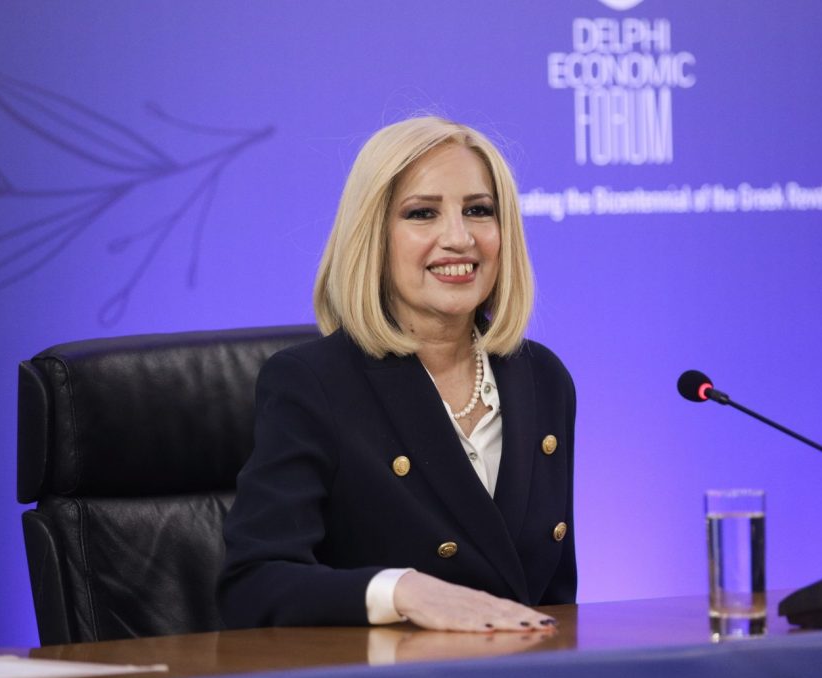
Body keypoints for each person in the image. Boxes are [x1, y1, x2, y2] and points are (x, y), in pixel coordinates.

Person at [218, 116, 576, 632]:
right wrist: (402, 591)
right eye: (422, 213)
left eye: (478, 210)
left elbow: (555, 602)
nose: (459, 238)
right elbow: (251, 585)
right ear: (374, 237)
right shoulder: (313, 383)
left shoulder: (543, 377)